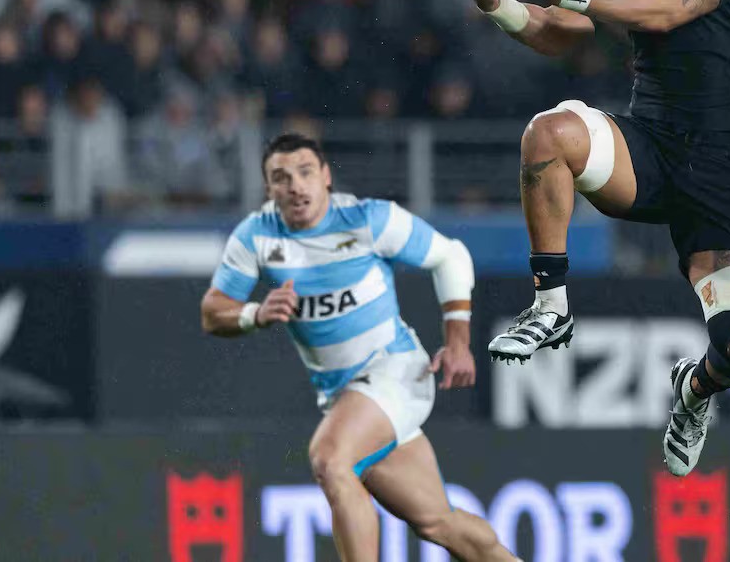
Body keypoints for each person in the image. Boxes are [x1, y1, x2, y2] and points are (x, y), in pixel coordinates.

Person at [436, 0, 730, 476]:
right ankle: (551, 305)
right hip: (648, 145)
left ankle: (693, 389)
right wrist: (495, 5)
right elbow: (561, 30)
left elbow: (672, 7)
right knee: (549, 134)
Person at [200, 133, 518, 562]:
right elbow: (212, 312)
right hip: (347, 398)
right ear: (269, 190)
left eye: (306, 172)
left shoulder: (369, 220)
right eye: (281, 177)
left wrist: (457, 342)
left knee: (331, 460)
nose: (296, 185)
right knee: (438, 523)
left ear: (326, 176)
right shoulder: (255, 236)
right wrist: (254, 314)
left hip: (396, 371)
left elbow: (451, 257)